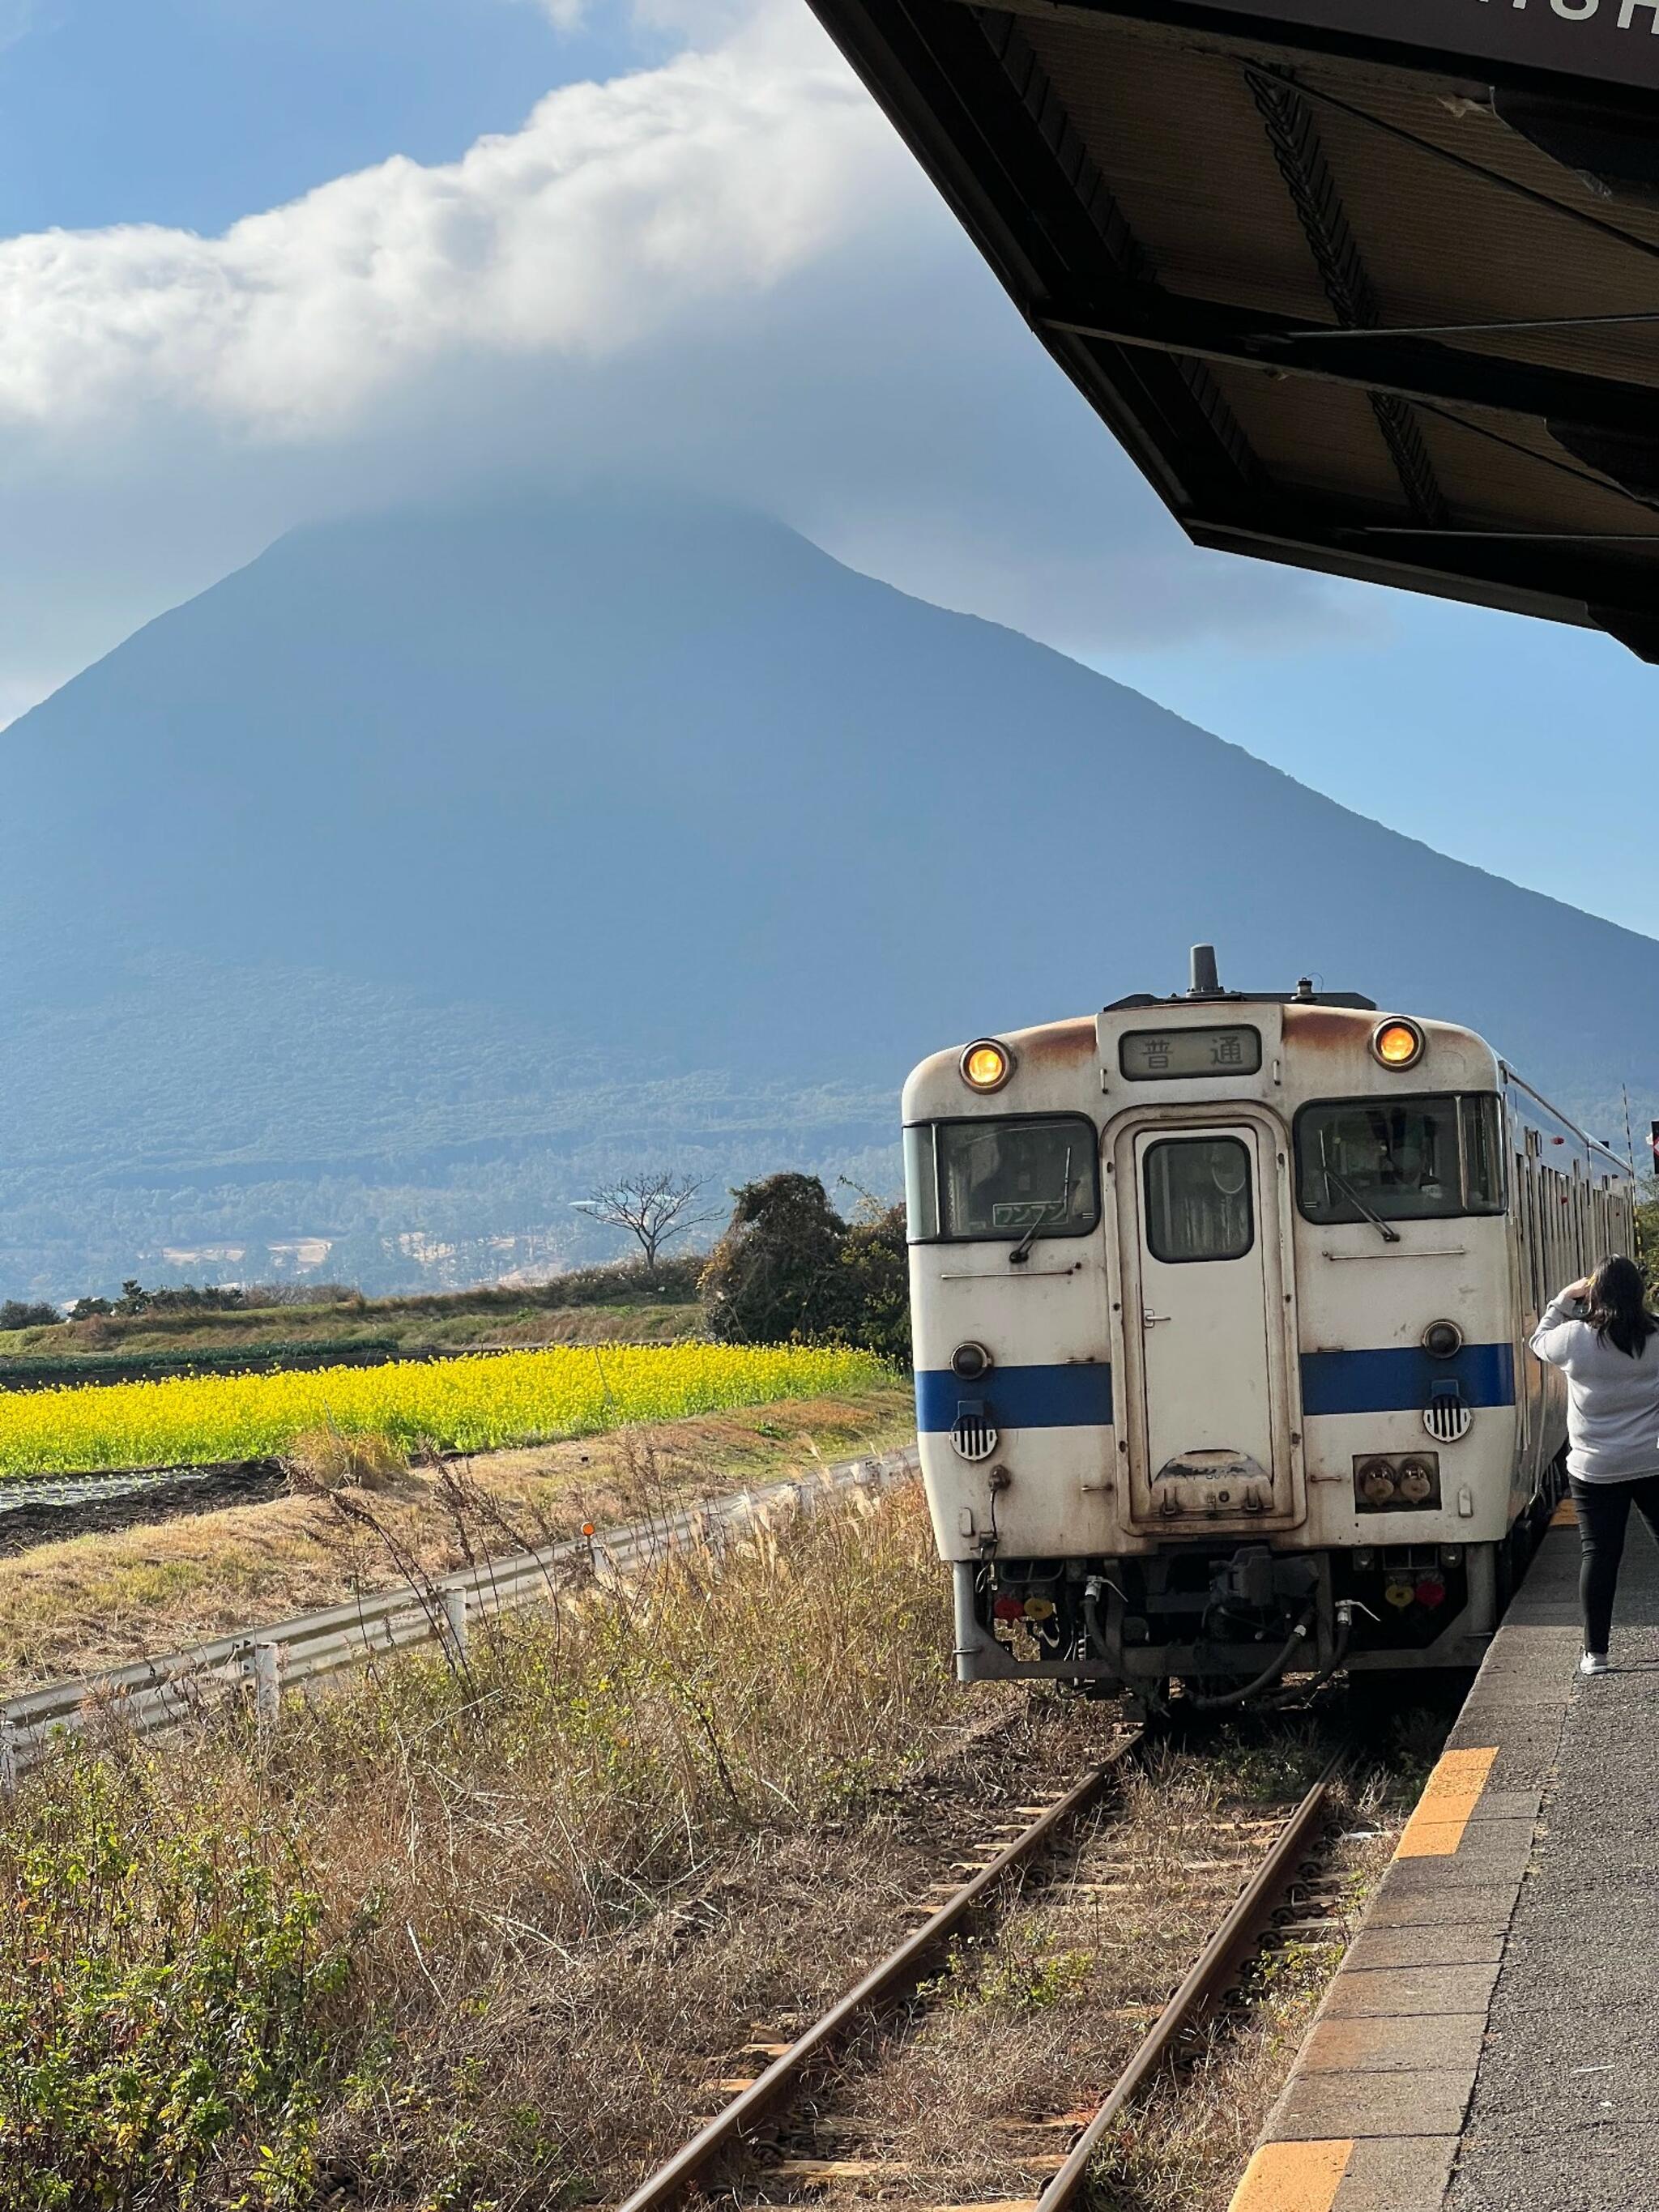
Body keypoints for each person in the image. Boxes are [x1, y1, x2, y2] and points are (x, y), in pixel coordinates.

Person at [1529, 1255, 1659, 1676]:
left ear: (1595, 1293)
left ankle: (1596, 1655)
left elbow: (1537, 1341)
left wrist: (1563, 1299)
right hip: (1652, 1460)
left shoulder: (1573, 1339)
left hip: (1594, 1468)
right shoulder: (1657, 1335)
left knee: (1600, 1555)